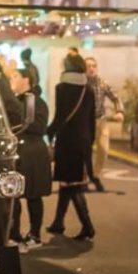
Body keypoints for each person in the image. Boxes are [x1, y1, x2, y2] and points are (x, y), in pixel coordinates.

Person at [46, 53, 96, 241]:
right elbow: (92, 121)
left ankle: (88, 226)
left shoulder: (62, 88)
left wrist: (49, 132)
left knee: (72, 185)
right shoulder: (88, 89)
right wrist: (90, 143)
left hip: (67, 142)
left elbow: (60, 117)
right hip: (82, 143)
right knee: (69, 183)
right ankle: (58, 222)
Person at [7, 68, 51, 252]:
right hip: (21, 153)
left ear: (27, 79)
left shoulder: (35, 102)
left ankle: (34, 235)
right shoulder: (17, 100)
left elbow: (39, 127)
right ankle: (14, 235)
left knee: (33, 197)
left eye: (16, 76)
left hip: (32, 155)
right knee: (14, 197)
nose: (12, 79)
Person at [84, 56, 124, 193]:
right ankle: (83, 177)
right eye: (88, 66)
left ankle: (95, 175)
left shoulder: (102, 83)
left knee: (104, 149)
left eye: (93, 65)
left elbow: (115, 97)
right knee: (84, 151)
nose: (91, 68)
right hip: (84, 123)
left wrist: (119, 111)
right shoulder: (81, 85)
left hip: (100, 121)